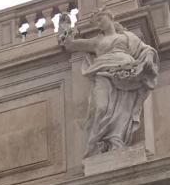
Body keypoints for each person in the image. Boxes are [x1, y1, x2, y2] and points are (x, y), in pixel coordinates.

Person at [58, 11, 159, 156]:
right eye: (97, 22)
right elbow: (70, 45)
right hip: (103, 73)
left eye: (101, 19)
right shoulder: (97, 41)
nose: (99, 23)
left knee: (123, 110)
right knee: (101, 107)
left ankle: (115, 140)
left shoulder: (128, 36)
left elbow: (146, 49)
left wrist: (148, 57)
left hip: (126, 75)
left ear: (111, 17)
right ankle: (98, 143)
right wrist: (66, 28)